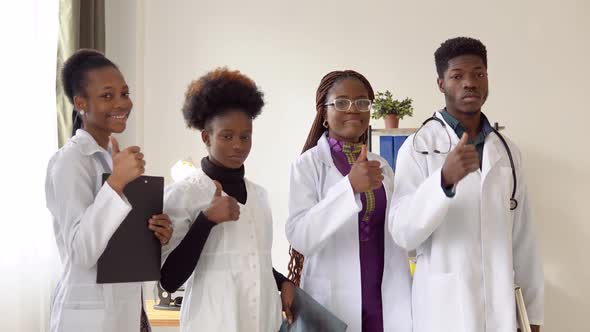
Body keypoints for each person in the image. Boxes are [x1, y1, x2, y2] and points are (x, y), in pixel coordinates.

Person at [390, 37, 544, 332]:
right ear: (441, 84)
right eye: (457, 76)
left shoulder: (507, 151)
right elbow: (402, 233)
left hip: (501, 314)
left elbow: (524, 240)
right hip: (445, 311)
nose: (470, 83)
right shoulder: (418, 147)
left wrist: (531, 315)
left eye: (478, 74)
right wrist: (443, 181)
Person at [45, 49, 173, 332]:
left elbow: (120, 243)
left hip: (130, 310)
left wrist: (157, 234)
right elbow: (82, 252)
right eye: (107, 95)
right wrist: (116, 184)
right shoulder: (70, 161)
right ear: (81, 103)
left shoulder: (112, 156)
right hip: (89, 317)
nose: (122, 103)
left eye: (124, 93)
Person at [160, 67, 295, 331]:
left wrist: (282, 282)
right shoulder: (183, 194)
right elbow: (169, 280)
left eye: (245, 136)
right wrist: (206, 220)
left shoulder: (259, 195)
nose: (238, 145)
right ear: (206, 137)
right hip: (212, 323)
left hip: (262, 322)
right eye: (227, 136)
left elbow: (251, 260)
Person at [286, 70, 412, 332]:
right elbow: (300, 236)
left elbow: (399, 227)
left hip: (384, 294)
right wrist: (349, 188)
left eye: (362, 102)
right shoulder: (307, 166)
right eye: (341, 102)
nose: (353, 110)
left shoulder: (383, 166)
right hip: (333, 300)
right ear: (324, 113)